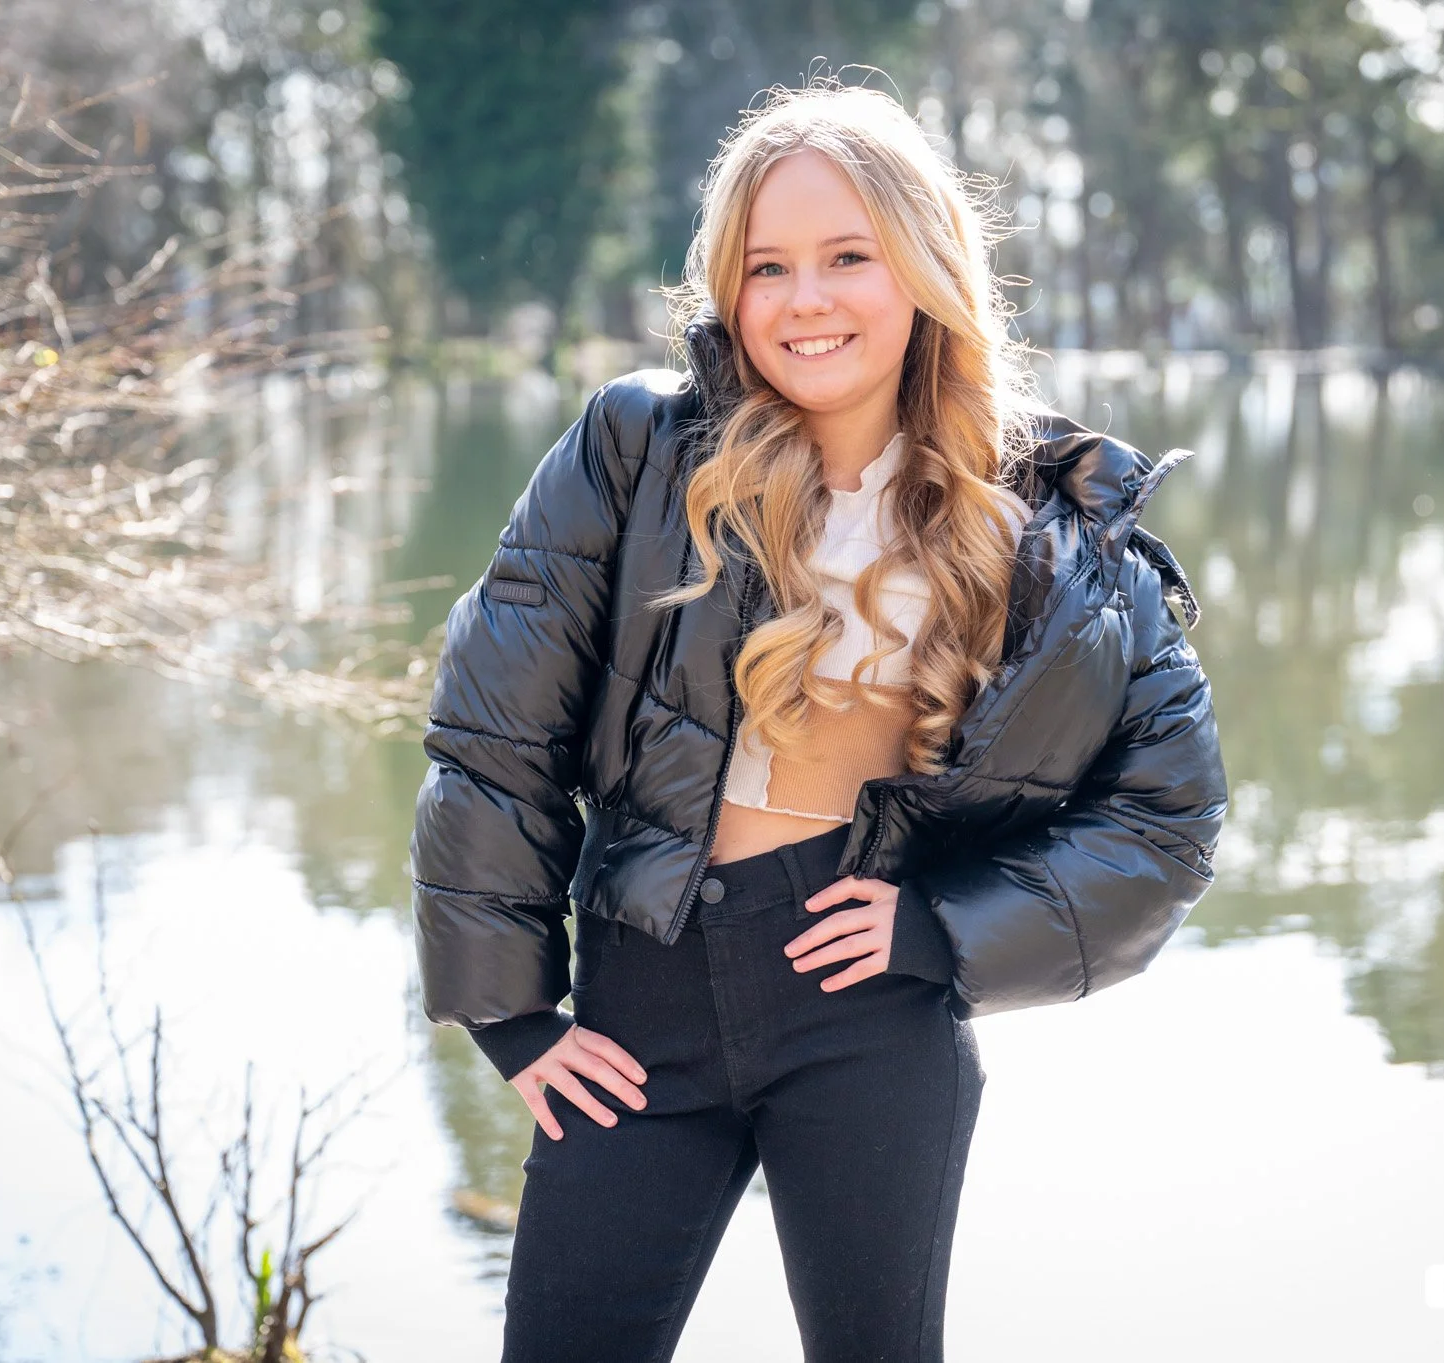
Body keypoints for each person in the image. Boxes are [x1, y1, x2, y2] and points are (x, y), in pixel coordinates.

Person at [409, 79, 1226, 1363]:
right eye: (766, 266)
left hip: (865, 1006)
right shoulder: (635, 451)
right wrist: (510, 1015)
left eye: (847, 257)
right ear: (726, 291)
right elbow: (491, 735)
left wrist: (946, 930)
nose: (804, 300)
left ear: (923, 267)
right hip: (639, 1005)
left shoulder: (1056, 541)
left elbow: (1167, 821)